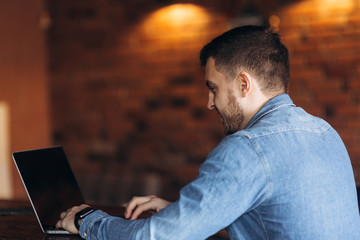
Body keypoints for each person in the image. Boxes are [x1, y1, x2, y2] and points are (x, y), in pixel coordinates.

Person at [56, 25, 360, 239]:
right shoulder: (326, 133)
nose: (209, 103)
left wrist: (86, 219)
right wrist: (183, 212)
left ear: (244, 83)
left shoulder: (247, 149)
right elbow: (280, 222)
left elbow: (154, 238)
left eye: (213, 88)